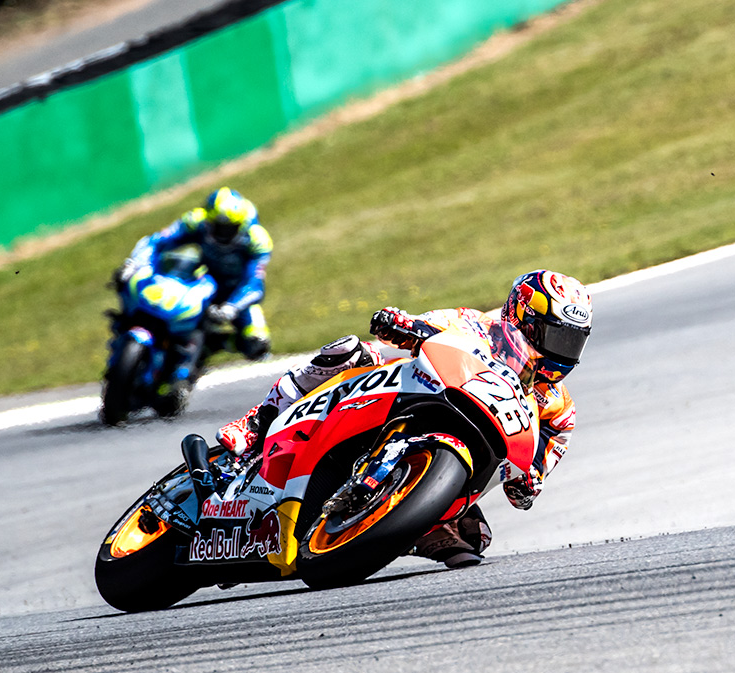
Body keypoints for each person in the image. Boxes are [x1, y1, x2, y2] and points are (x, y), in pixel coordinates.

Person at [215, 270, 591, 568]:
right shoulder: (474, 324)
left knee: (475, 537)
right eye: (554, 336)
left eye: (570, 343)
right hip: (410, 395)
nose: (560, 352)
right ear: (521, 316)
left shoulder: (559, 408)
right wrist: (403, 324)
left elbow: (539, 465)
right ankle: (257, 422)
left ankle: (381, 529)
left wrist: (530, 481)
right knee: (349, 351)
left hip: (463, 457)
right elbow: (423, 327)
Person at [121, 187, 274, 363]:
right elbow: (156, 241)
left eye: (230, 228)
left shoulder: (257, 240)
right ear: (209, 220)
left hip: (235, 293)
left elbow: (255, 284)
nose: (224, 233)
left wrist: (232, 307)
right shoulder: (195, 221)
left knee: (257, 344)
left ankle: (209, 346)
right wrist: (135, 263)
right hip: (201, 284)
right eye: (219, 227)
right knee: (135, 291)